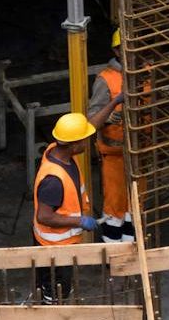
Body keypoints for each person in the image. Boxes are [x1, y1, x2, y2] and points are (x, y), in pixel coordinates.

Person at [86, 29, 146, 244]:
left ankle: (132, 250)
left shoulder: (146, 72)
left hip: (141, 154)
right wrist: (113, 116)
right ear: (116, 51)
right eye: (125, 47)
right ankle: (113, 253)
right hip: (115, 154)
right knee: (115, 207)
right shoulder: (106, 79)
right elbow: (93, 118)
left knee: (136, 205)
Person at [33, 112, 100, 300]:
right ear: (74, 144)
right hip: (54, 249)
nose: (88, 143)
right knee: (55, 294)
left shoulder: (58, 150)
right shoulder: (53, 181)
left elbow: (92, 124)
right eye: (84, 140)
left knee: (60, 289)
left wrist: (114, 102)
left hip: (61, 246)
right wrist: (79, 221)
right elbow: (44, 217)